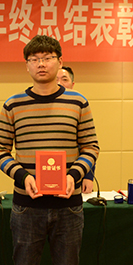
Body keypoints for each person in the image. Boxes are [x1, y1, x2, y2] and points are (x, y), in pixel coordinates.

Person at [0, 35, 100, 265]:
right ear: (26, 65)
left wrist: (74, 174)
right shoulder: (13, 104)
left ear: (59, 61)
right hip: (27, 206)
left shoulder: (78, 102)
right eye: (35, 58)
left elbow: (91, 146)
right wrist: (22, 175)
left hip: (69, 205)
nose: (41, 63)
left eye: (48, 57)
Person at [57, 65, 95, 195]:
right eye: (56, 79)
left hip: (76, 176)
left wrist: (88, 177)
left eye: (64, 79)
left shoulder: (79, 106)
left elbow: (88, 146)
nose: (59, 83)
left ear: (72, 84)